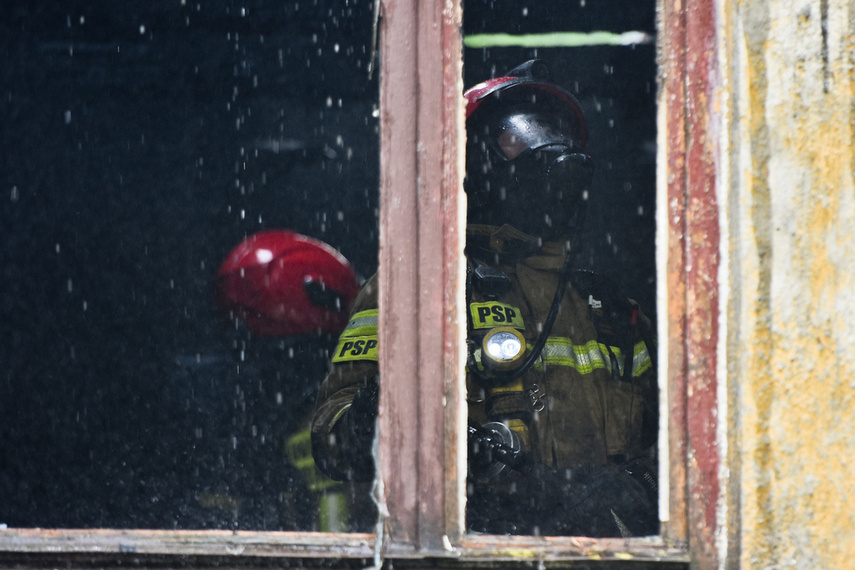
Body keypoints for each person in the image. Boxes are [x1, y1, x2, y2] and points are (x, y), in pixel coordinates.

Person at [311, 60, 658, 537]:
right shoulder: (419, 292)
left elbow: (686, 452)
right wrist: (395, 419)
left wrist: (625, 493)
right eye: (522, 134)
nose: (552, 152)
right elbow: (332, 444)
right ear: (472, 164)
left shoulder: (613, 311)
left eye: (557, 134)